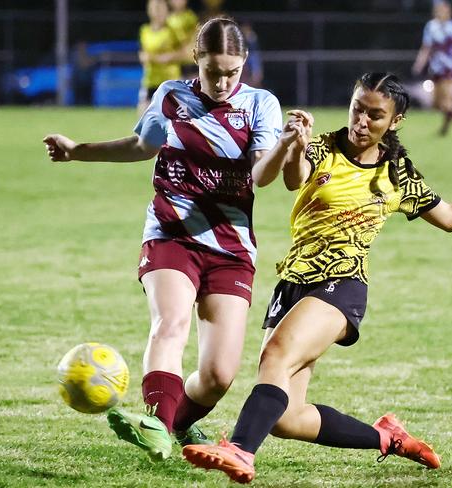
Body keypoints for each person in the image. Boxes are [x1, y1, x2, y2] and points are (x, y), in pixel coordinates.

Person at [182, 72, 452, 483]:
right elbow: (293, 179)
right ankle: (387, 438)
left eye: (375, 115)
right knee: (288, 417)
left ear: (396, 121)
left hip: (343, 283)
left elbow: (450, 217)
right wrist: (294, 146)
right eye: (357, 110)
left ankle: (240, 450)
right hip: (294, 280)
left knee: (275, 357)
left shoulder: (397, 173)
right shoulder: (324, 146)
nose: (361, 121)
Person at [43, 18, 297, 462]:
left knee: (219, 375)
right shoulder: (172, 96)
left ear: (244, 65)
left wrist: (285, 147)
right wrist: (77, 150)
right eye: (213, 71)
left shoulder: (262, 105)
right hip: (171, 232)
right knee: (171, 324)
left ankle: (176, 423)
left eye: (231, 72)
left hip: (231, 248)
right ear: (195, 60)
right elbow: (142, 145)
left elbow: (261, 175)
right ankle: (157, 422)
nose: (221, 82)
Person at [412, 0, 452, 136]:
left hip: (450, 68)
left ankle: (444, 129)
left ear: (449, 12)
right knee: (437, 104)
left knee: (447, 100)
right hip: (436, 69)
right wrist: (419, 64)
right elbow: (426, 48)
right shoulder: (431, 27)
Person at [138, 0, 186, 113]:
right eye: (155, 9)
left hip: (170, 80)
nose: (158, 13)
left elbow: (184, 52)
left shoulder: (172, 31)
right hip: (151, 79)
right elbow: (142, 51)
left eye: (160, 9)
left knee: (174, 117)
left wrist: (168, 57)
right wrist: (143, 57)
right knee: (144, 115)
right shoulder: (145, 30)